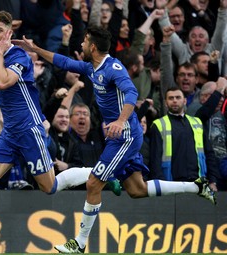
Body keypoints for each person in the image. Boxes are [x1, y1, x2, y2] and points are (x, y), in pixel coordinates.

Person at [12, 25, 217, 253]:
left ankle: (79, 243)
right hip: (117, 137)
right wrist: (35, 48)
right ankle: (196, 186)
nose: (80, 45)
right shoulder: (92, 67)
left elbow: (131, 93)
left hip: (125, 136)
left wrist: (120, 120)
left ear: (92, 46)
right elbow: (64, 62)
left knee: (93, 183)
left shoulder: (114, 68)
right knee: (137, 189)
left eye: (84, 41)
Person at [0, 11, 95, 251]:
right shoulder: (0, 57)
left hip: (28, 128)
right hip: (11, 131)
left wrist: (0, 54)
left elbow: (4, 82)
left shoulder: (18, 55)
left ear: (9, 33)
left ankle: (99, 172)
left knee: (49, 187)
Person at [149, 87, 220, 190]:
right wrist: (160, 185)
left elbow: (209, 153)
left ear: (185, 101)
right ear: (165, 102)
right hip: (171, 183)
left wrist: (212, 180)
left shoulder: (197, 123)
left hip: (198, 181)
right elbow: (155, 159)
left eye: (178, 97)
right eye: (171, 98)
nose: (174, 100)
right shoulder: (158, 125)